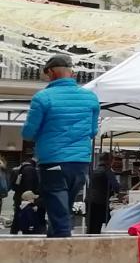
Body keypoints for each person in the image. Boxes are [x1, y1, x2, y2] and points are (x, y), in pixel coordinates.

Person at [21, 54, 100, 237]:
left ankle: (64, 254)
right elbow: (93, 131)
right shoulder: (90, 98)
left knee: (59, 213)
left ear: (50, 72)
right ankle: (54, 244)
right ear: (71, 72)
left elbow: (28, 133)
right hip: (80, 162)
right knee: (62, 209)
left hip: (53, 160)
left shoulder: (43, 97)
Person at [86, 152, 120, 234]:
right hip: (100, 203)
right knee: (111, 223)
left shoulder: (94, 171)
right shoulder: (107, 172)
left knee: (91, 227)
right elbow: (116, 187)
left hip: (89, 201)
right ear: (110, 161)